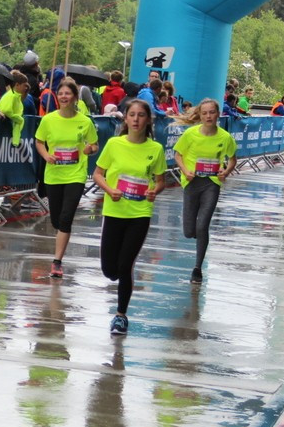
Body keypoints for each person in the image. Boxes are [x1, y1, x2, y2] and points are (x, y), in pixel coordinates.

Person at [91, 99, 166, 335]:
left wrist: (155, 190)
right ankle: (118, 279)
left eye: (141, 115)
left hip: (140, 213)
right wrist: (110, 190)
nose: (135, 119)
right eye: (131, 114)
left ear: (148, 120)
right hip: (114, 211)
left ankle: (121, 316)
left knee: (125, 265)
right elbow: (97, 174)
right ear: (125, 118)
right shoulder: (114, 144)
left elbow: (160, 180)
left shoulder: (155, 149)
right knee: (109, 270)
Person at [34, 76, 99, 279]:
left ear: (74, 97)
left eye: (67, 93)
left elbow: (94, 145)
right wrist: (46, 156)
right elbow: (39, 142)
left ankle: (57, 262)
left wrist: (89, 149)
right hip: (54, 175)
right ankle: (60, 240)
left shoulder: (85, 122)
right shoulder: (49, 120)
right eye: (61, 93)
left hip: (76, 175)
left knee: (66, 217)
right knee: (56, 220)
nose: (64, 96)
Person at [172, 98, 237, 284]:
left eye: (212, 112)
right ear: (200, 115)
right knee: (189, 231)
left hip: (211, 184)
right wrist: (185, 171)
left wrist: (225, 172)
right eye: (205, 113)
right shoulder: (191, 134)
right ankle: (198, 235)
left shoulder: (225, 137)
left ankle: (197, 268)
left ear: (218, 114)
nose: (208, 116)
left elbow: (232, 159)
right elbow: (178, 155)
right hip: (192, 183)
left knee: (203, 226)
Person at [0, 70, 29, 146]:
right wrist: (18, 118)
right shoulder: (11, 95)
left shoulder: (16, 96)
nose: (26, 88)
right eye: (24, 85)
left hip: (8, 132)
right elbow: (6, 110)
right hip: (2, 130)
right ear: (17, 85)